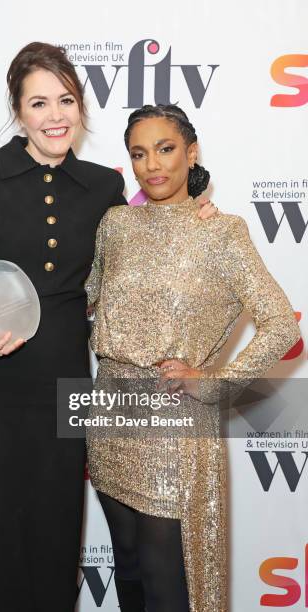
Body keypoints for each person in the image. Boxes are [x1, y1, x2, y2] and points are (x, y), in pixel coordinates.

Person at [0, 43, 217, 611]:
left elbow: (148, 228)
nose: (55, 115)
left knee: (54, 539)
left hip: (64, 388)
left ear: (81, 107)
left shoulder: (102, 186)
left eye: (66, 100)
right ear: (18, 110)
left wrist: (200, 208)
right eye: (38, 102)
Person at [85, 104, 300, 612]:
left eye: (165, 149)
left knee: (166, 580)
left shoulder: (222, 233)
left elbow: (282, 325)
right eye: (139, 154)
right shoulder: (116, 224)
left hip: (171, 421)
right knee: (130, 569)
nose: (152, 165)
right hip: (110, 411)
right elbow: (88, 296)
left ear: (191, 152)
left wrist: (215, 381)